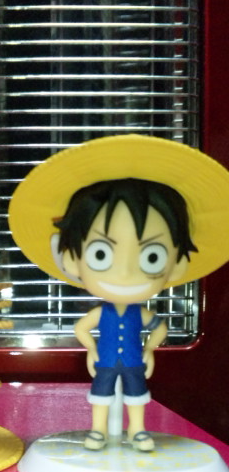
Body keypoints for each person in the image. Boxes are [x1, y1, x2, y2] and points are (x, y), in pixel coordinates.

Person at [54, 177, 195, 450]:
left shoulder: (139, 313)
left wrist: (150, 349)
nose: (125, 274)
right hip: (105, 361)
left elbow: (159, 328)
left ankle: (137, 430)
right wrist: (91, 349)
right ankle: (98, 430)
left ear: (177, 264)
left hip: (133, 361)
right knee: (100, 395)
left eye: (151, 257)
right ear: (72, 259)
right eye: (101, 254)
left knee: (137, 395)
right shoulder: (101, 312)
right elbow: (81, 328)